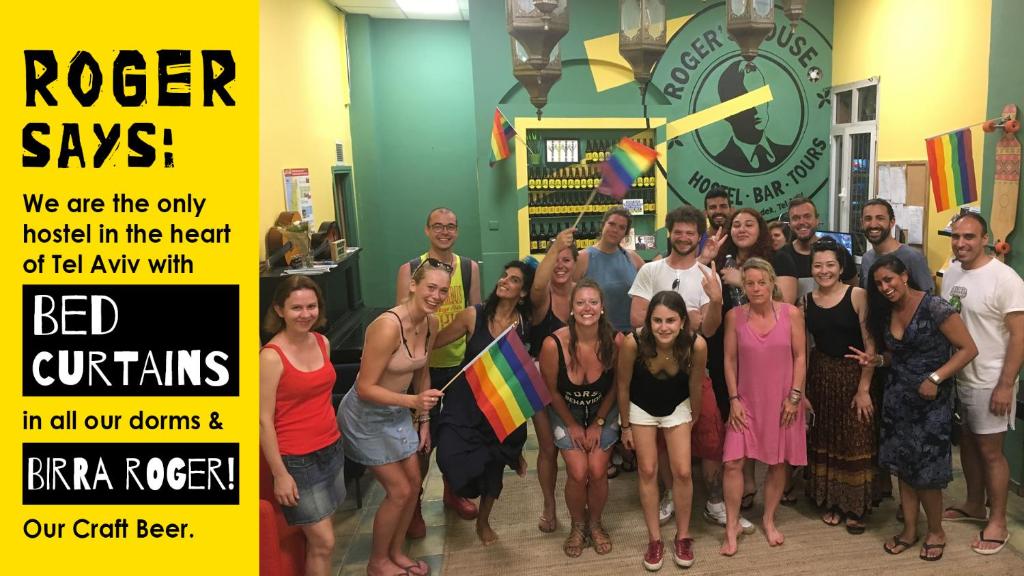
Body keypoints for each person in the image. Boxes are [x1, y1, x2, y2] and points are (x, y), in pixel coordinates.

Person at [850, 254, 977, 561]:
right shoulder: (886, 312)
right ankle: (909, 529)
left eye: (889, 279)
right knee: (904, 470)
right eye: (878, 283)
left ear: (904, 275)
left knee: (927, 473)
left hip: (931, 403)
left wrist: (936, 377)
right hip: (897, 399)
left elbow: (969, 349)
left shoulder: (935, 307)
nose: (884, 287)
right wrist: (877, 360)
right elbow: (897, 355)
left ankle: (936, 531)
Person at [337, 259, 449, 576]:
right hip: (365, 416)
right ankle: (377, 563)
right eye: (431, 287)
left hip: (398, 410)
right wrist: (412, 402)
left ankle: (396, 553)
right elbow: (365, 388)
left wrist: (423, 419)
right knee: (398, 490)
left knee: (413, 486)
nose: (436, 296)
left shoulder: (432, 323)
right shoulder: (388, 326)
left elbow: (422, 371)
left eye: (442, 290)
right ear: (413, 285)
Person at [432, 261, 535, 546]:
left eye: (513, 280)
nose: (504, 281)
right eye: (504, 275)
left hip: (500, 404)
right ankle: (456, 490)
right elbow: (435, 342)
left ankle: (483, 521)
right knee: (448, 458)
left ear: (523, 292)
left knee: (494, 466)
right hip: (465, 399)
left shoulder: (525, 325)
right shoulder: (472, 315)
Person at [939, 212, 1023, 555]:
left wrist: (1006, 384)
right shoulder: (953, 272)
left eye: (969, 237)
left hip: (991, 379)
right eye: (956, 237)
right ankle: (974, 503)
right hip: (960, 376)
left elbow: (1019, 336)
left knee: (991, 453)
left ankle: (998, 520)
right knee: (969, 446)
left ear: (985, 238)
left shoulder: (1005, 279)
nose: (961, 244)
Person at [394, 207, 481, 535]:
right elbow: (403, 322)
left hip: (459, 369)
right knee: (421, 442)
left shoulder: (470, 269)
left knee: (454, 437)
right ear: (427, 230)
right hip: (421, 371)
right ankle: (414, 507)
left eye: (451, 227)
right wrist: (416, 367)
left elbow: (474, 317)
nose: (445, 232)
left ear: (457, 231)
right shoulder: (411, 269)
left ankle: (452, 493)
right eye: (438, 226)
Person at [720, 258, 807, 556]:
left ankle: (769, 519)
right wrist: (733, 400)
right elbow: (729, 361)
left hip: (783, 400)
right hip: (745, 401)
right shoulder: (734, 316)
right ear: (742, 286)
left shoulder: (792, 314)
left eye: (762, 282)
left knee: (778, 462)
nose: (756, 288)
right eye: (750, 283)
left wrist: (795, 396)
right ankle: (731, 525)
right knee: (732, 463)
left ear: (772, 283)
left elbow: (800, 357)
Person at [260, 276, 344, 576]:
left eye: (311, 306)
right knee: (324, 541)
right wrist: (280, 474)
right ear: (279, 310)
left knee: (321, 541)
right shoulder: (271, 357)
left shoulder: (323, 342)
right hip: (297, 460)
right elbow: (263, 420)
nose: (305, 314)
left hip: (331, 449)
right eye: (296, 307)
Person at [617, 290, 707, 570]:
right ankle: (654, 540)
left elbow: (695, 384)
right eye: (657, 321)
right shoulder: (633, 343)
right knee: (647, 470)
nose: (663, 327)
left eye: (670, 320)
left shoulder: (697, 345)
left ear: (682, 322)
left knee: (682, 471)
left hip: (678, 405)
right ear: (648, 321)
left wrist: (695, 415)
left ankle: (683, 536)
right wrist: (625, 426)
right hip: (641, 407)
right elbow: (622, 385)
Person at [539, 279, 622, 557]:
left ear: (602, 308)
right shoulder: (554, 344)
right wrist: (573, 424)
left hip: (603, 409)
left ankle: (595, 524)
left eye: (593, 302)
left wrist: (599, 422)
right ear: (572, 309)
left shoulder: (616, 340)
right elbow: (551, 391)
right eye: (581, 302)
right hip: (566, 410)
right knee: (578, 472)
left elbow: (616, 387)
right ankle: (577, 525)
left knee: (597, 471)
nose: (587, 308)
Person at [803, 237, 877, 535]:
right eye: (818, 265)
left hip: (854, 375)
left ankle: (856, 506)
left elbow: (871, 345)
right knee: (826, 437)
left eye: (830, 264)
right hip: (821, 375)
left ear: (841, 266)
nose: (824, 271)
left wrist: (864, 388)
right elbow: (806, 346)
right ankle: (831, 501)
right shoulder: (807, 301)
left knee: (855, 438)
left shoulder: (857, 295)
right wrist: (804, 388)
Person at [710, 208, 778, 516]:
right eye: (736, 224)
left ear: (760, 228)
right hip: (725, 347)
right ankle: (737, 478)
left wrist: (740, 281)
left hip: (764, 349)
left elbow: (783, 302)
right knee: (733, 412)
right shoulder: (720, 260)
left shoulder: (776, 259)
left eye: (749, 224)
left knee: (759, 413)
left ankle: (760, 481)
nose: (741, 229)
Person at [528, 227, 577, 534]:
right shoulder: (541, 297)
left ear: (576, 264)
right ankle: (549, 504)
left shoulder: (584, 295)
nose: (560, 265)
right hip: (542, 386)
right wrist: (556, 246)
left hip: (578, 384)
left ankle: (580, 503)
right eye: (554, 260)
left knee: (577, 450)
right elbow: (536, 286)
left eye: (567, 260)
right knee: (549, 449)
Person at [711, 60, 794, 174]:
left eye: (760, 97)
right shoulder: (720, 164)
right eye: (745, 102)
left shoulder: (787, 154)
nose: (755, 110)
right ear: (727, 114)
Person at [574, 206, 645, 332]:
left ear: (626, 233)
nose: (615, 230)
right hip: (596, 334)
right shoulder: (583, 258)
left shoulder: (632, 258)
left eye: (621, 227)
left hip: (629, 334)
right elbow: (569, 296)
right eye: (612, 224)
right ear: (603, 225)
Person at [774, 196, 857, 303]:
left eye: (807, 216)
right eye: (795, 218)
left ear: (817, 220)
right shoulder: (781, 257)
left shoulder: (838, 252)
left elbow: (853, 289)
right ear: (789, 224)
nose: (801, 222)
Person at [859, 198, 934, 293]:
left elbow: (928, 300)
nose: (873, 224)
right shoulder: (867, 259)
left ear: (892, 222)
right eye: (868, 219)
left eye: (880, 218)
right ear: (862, 223)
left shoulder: (913, 257)